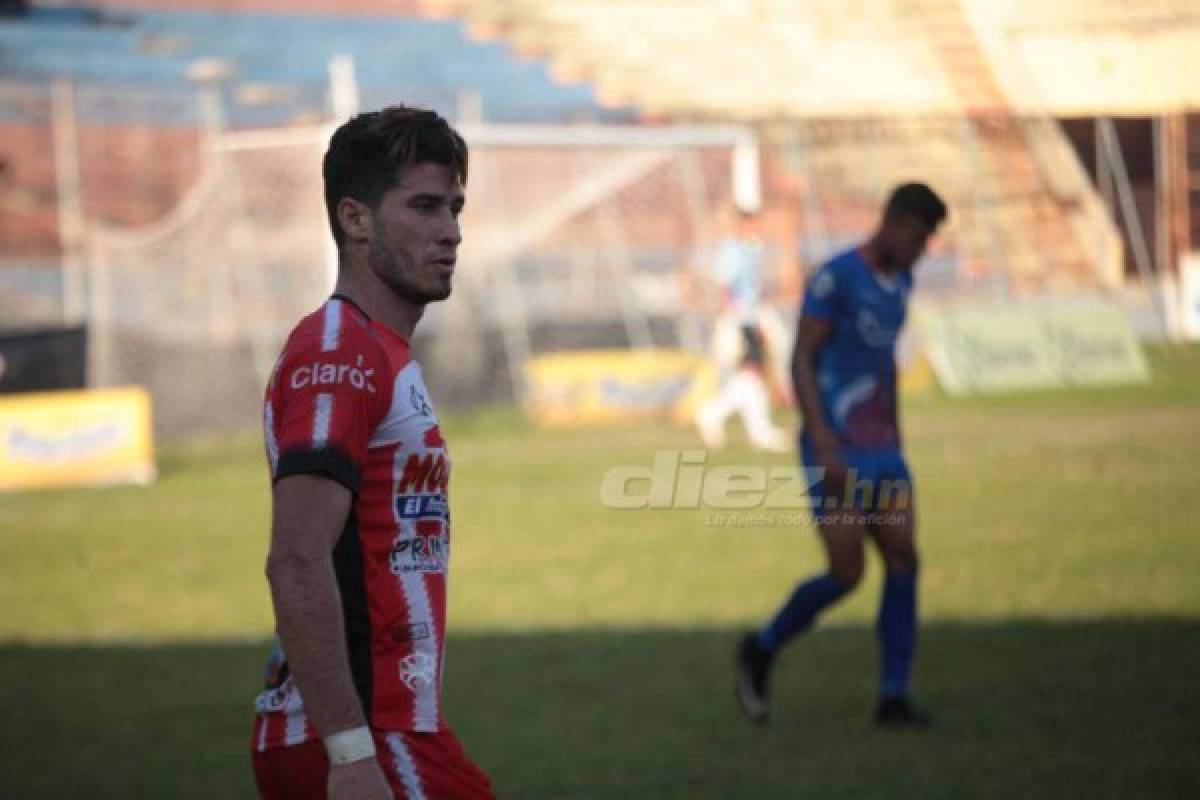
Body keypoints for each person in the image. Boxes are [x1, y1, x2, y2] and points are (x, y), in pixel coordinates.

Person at [249, 106, 494, 799]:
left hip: (383, 729)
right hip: (365, 739)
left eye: (454, 207)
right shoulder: (338, 352)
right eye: (423, 207)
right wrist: (352, 754)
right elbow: (295, 557)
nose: (451, 231)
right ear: (355, 220)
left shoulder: (379, 352)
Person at [735, 183, 947, 727]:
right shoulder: (835, 278)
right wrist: (823, 442)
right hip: (834, 446)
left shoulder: (900, 280)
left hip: (882, 449)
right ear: (896, 222)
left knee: (904, 558)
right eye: (921, 237)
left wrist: (895, 437)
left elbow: (882, 365)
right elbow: (802, 359)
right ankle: (761, 647)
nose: (924, 249)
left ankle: (893, 697)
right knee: (847, 572)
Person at [694, 208, 790, 452]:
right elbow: (725, 285)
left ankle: (754, 427)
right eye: (754, 225)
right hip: (740, 317)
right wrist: (734, 316)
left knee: (752, 373)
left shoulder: (751, 250)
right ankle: (724, 417)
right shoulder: (733, 250)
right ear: (743, 225)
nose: (758, 230)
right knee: (750, 369)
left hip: (750, 314)